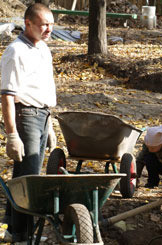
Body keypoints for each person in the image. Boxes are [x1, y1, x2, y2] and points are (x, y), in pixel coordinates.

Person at [0, 3, 56, 243]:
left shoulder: (43, 49)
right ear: (28, 23)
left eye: (51, 25)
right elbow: (7, 96)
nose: (48, 29)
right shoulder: (15, 52)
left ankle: (14, 229)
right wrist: (12, 134)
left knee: (24, 174)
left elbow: (42, 87)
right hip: (26, 116)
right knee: (29, 179)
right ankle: (23, 236)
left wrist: (49, 123)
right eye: (43, 24)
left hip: (42, 116)